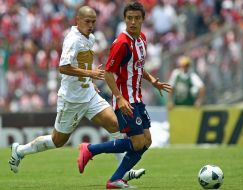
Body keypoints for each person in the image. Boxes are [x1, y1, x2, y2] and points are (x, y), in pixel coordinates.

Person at [8, 6, 145, 182]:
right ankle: (19, 150)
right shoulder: (72, 40)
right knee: (58, 141)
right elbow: (63, 67)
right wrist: (90, 75)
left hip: (88, 94)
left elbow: (84, 64)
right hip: (71, 100)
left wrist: (89, 82)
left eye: (93, 22)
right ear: (77, 20)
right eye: (87, 21)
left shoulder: (90, 38)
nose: (91, 25)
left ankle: (122, 173)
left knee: (115, 125)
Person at [77, 2, 172, 189]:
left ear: (143, 19)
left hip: (137, 99)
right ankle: (90, 150)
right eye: (129, 18)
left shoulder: (142, 39)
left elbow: (137, 66)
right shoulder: (121, 43)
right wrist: (119, 98)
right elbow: (109, 72)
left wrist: (152, 80)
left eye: (137, 18)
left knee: (146, 142)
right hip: (125, 100)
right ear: (125, 19)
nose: (133, 22)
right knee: (137, 142)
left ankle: (115, 179)